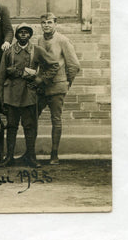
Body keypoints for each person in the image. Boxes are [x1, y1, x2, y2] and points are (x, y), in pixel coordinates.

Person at [0, 23, 59, 168]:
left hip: (29, 95)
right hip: (11, 95)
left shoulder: (36, 50)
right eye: (21, 32)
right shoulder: (9, 52)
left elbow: (54, 65)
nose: (23, 35)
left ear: (30, 35)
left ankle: (31, 157)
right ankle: (9, 157)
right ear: (16, 35)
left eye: (26, 32)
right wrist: (2, 100)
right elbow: (1, 77)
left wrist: (41, 80)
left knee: (30, 127)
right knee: (11, 127)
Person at [37, 13, 81, 165]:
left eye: (49, 22)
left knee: (56, 119)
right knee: (32, 115)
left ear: (55, 24)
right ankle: (30, 153)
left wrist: (67, 82)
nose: (46, 25)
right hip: (43, 87)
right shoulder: (40, 40)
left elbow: (74, 65)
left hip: (58, 86)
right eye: (43, 23)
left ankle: (54, 153)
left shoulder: (63, 40)